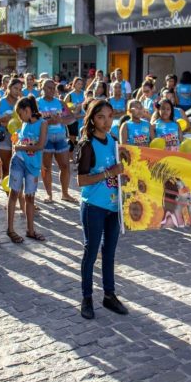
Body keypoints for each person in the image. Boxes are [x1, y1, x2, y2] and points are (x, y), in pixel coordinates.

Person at [76, 99, 127, 320]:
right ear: (92, 119)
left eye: (109, 116)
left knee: (110, 252)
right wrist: (109, 173)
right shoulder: (87, 144)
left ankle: (109, 295)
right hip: (93, 206)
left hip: (114, 207)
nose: (106, 122)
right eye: (100, 117)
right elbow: (81, 180)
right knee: (91, 251)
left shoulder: (114, 140)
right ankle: (86, 298)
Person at [6, 97, 48, 244]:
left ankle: (30, 230)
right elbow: (19, 141)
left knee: (30, 197)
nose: (19, 117)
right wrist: (17, 146)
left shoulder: (43, 123)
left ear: (28, 110)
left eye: (20, 113)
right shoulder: (23, 123)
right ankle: (10, 229)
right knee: (14, 194)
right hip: (18, 161)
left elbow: (40, 146)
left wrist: (21, 147)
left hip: (33, 165)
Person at [38, 79, 75, 204]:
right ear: (42, 88)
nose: (51, 90)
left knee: (65, 166)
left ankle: (65, 193)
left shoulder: (60, 103)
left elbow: (71, 117)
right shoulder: (37, 103)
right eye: (48, 88)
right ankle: (49, 195)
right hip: (45, 137)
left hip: (60, 137)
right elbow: (32, 121)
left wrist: (61, 121)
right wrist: (48, 122)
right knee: (46, 167)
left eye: (53, 88)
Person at [0, 78, 23, 180]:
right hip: (3, 138)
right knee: (6, 167)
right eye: (15, 88)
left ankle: (17, 192)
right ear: (9, 87)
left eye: (20, 89)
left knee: (18, 167)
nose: (17, 91)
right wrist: (1, 120)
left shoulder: (22, 104)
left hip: (19, 138)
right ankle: (9, 194)